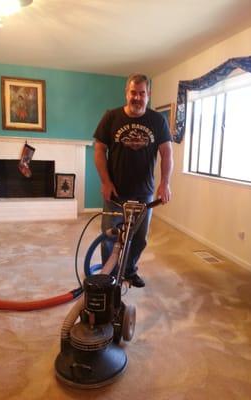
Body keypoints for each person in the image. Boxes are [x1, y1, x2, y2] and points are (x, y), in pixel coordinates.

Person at [93, 73, 173, 287]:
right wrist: (105, 182)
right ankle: (108, 276)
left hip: (144, 192)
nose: (137, 98)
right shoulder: (111, 117)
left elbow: (167, 153)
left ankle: (129, 271)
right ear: (126, 93)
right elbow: (99, 150)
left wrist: (165, 183)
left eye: (142, 93)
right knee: (110, 236)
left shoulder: (158, 120)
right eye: (133, 93)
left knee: (139, 239)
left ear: (148, 95)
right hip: (115, 192)